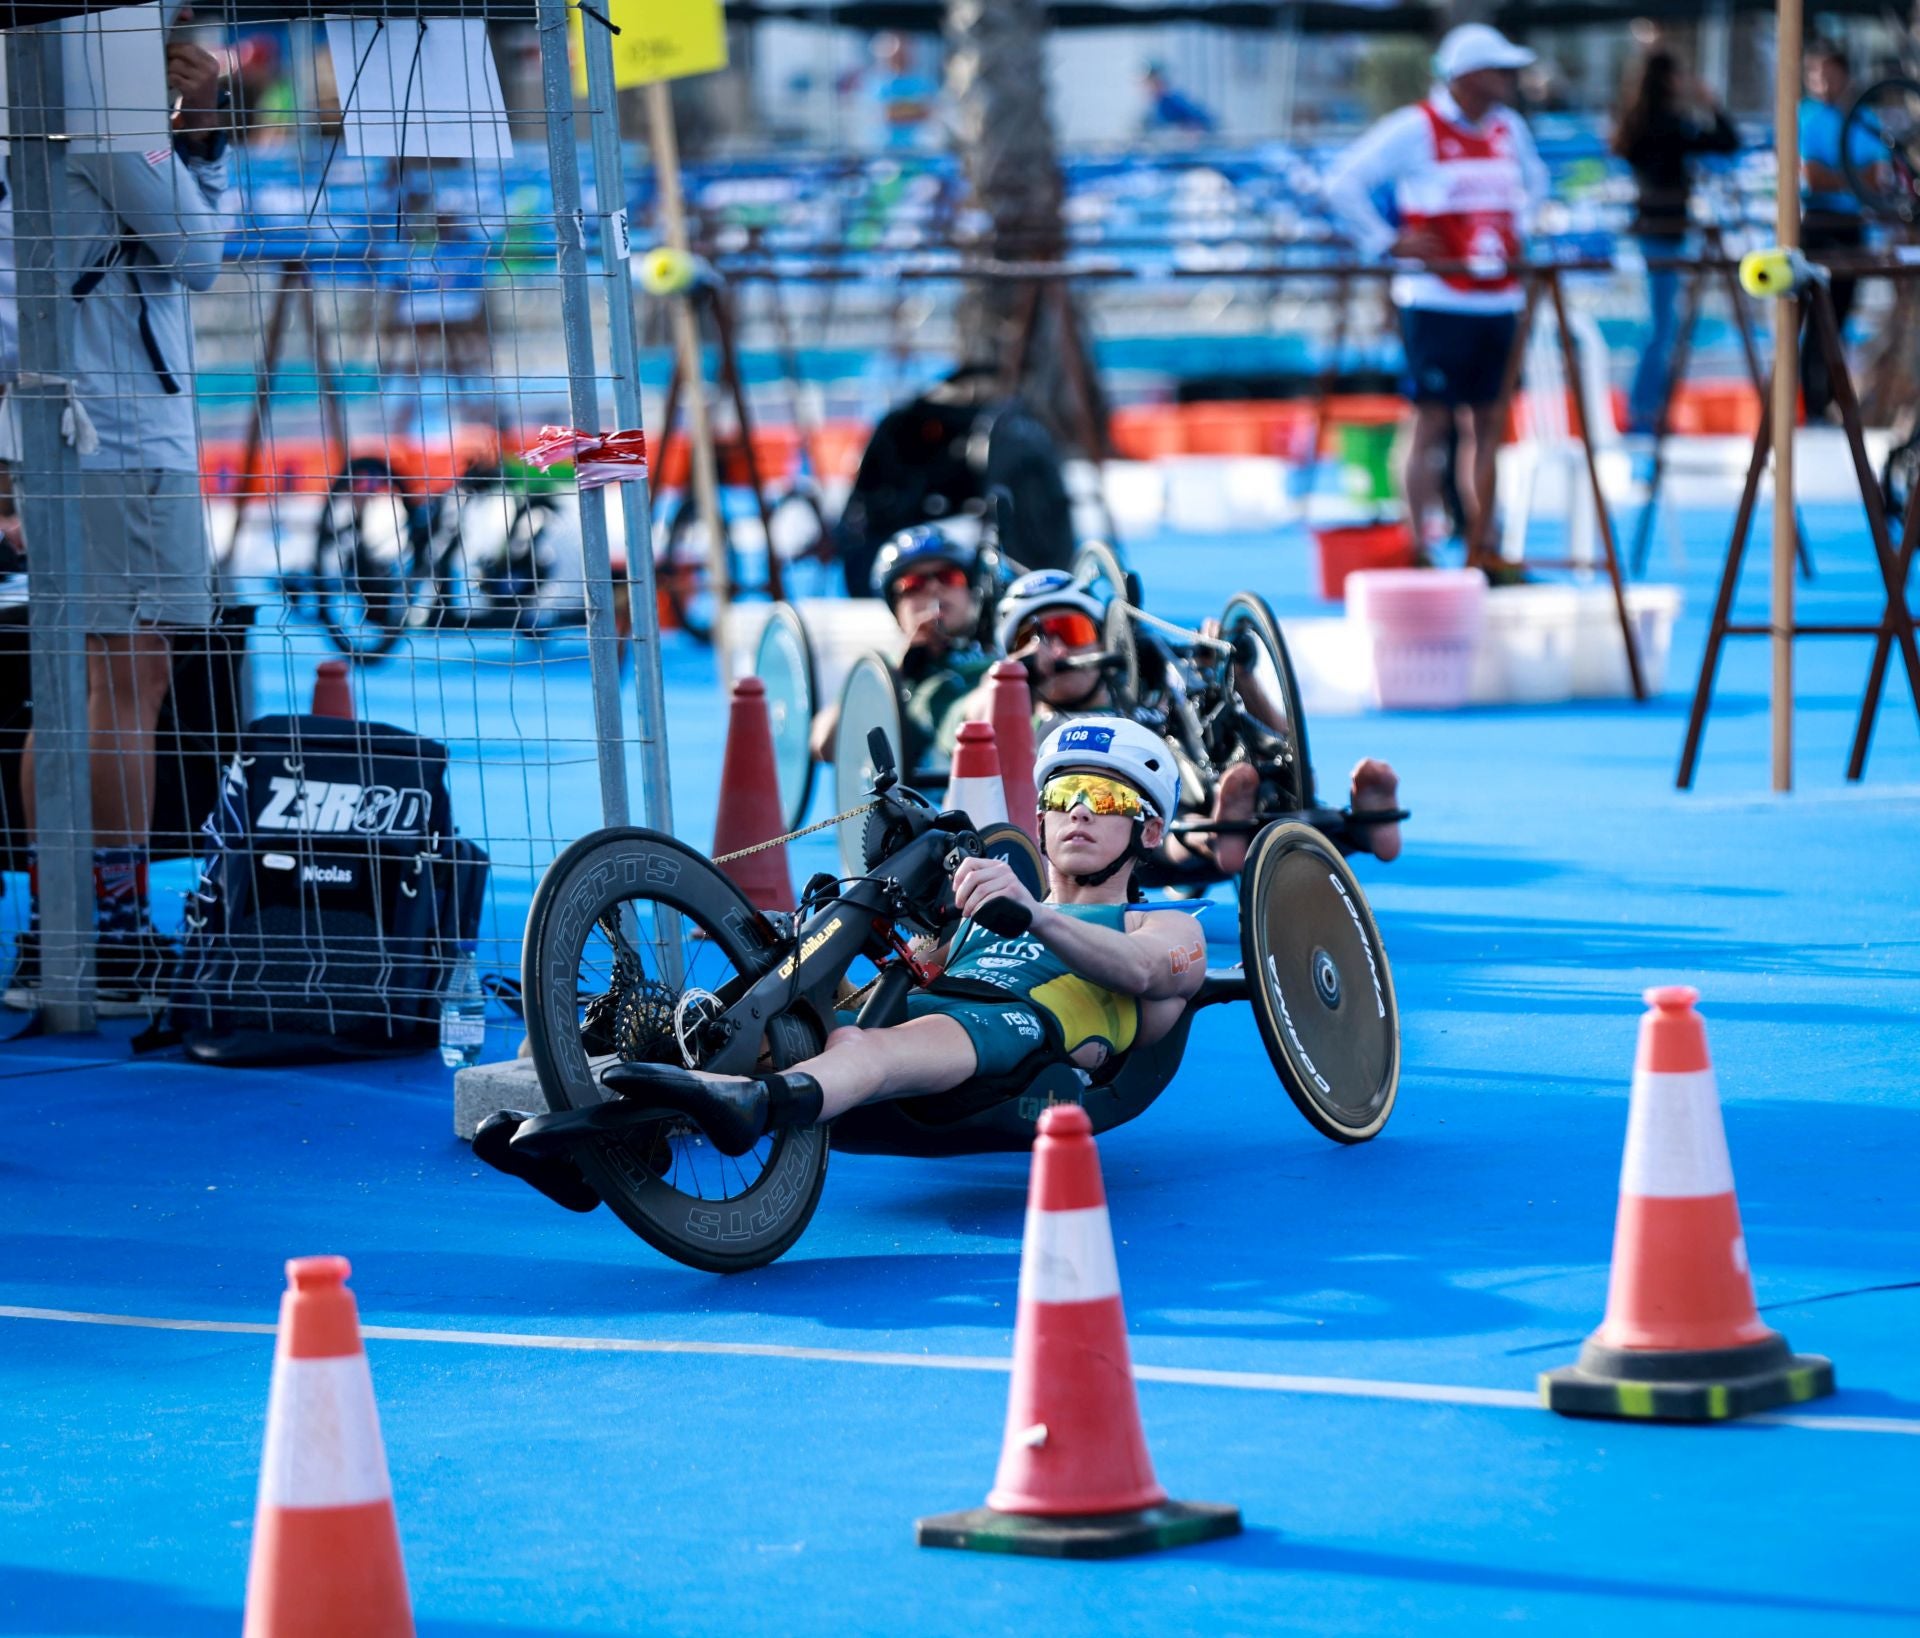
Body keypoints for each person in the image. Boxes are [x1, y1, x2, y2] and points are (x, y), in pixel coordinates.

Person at [592, 719, 1210, 1156]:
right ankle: (588, 1134)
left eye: (1104, 796)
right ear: (1041, 818)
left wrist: (1037, 916)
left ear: (1149, 830)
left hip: (1008, 1029)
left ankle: (756, 1107)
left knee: (867, 1050)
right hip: (925, 1011)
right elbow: (901, 978)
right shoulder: (982, 910)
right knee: (770, 1013)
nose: (1080, 811)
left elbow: (1147, 974)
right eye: (1064, 794)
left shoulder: (1159, 926)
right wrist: (819, 954)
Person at [6, 33, 232, 1013]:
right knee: (123, 681)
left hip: (60, 431)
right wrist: (206, 135)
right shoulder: (108, 132)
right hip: (124, 435)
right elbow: (205, 252)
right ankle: (114, 933)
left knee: (76, 680)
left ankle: (62, 934)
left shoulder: (35, 125)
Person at [968, 569, 1403, 871]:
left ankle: (1364, 822)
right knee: (1142, 821)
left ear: (1103, 635)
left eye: (1072, 631)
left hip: (1207, 779)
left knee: (1246, 749)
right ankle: (1216, 835)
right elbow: (974, 725)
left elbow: (1273, 732)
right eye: (1034, 641)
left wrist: (1235, 675)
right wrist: (1011, 679)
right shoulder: (1030, 722)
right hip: (1133, 825)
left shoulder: (1150, 684)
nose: (1058, 652)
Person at [1324, 23, 1549, 557]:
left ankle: (1483, 545)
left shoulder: (1509, 129)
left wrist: (1522, 230)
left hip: (1498, 298)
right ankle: (1415, 546)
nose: (1511, 80)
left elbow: (1535, 183)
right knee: (1429, 421)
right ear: (1469, 78)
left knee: (1488, 424)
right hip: (1436, 301)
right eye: (1501, 70)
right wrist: (1387, 242)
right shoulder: (1413, 128)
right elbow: (1341, 183)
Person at [1611, 47, 1739, 434]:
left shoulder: (1637, 123)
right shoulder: (1669, 124)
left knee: (1659, 325)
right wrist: (1712, 105)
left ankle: (1646, 409)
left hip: (1652, 231)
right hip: (1664, 233)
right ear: (1669, 80)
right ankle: (1644, 412)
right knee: (1661, 326)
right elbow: (1725, 142)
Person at [810, 525, 997, 770]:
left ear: (972, 592)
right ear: (896, 610)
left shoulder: (1006, 650)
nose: (933, 588)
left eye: (948, 577)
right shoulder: (882, 673)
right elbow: (824, 743)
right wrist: (898, 672)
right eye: (914, 584)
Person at [1799, 39, 1877, 421]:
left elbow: (1874, 179)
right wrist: (1853, 178)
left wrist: (1838, 178)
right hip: (1816, 226)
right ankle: (1811, 402)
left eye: (1828, 71)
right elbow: (1813, 178)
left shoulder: (1864, 119)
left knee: (1839, 317)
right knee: (1810, 320)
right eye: (1815, 73)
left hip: (1849, 227)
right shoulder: (1804, 118)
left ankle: (1826, 400)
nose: (1822, 80)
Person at [1140, 61, 1216, 139]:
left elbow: (1200, 123)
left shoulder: (1174, 101)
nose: (1148, 87)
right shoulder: (1156, 105)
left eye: (1152, 83)